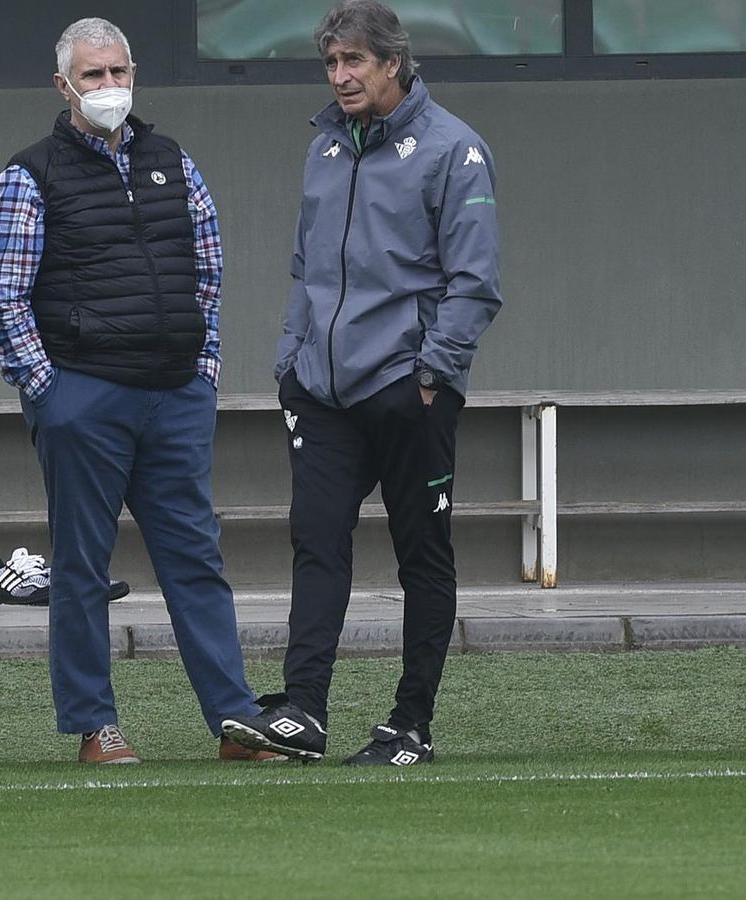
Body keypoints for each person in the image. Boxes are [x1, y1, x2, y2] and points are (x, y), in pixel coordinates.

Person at [0, 17, 274, 765]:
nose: (108, 87)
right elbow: (2, 299)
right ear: (63, 86)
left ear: (134, 73)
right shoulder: (29, 174)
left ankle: (236, 721)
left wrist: (204, 370)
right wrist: (52, 394)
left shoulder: (173, 162)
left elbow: (208, 273)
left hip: (175, 397)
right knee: (81, 567)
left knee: (197, 561)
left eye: (117, 72)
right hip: (85, 399)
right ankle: (94, 726)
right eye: (92, 76)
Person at [222, 0, 502, 766]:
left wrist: (431, 374)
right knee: (316, 542)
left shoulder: (455, 150)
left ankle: (411, 725)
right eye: (331, 64)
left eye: (354, 62)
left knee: (423, 556)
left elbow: (474, 285)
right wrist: (290, 364)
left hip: (409, 393)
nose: (340, 77)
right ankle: (304, 711)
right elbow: (305, 271)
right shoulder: (325, 148)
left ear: (394, 64)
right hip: (322, 394)